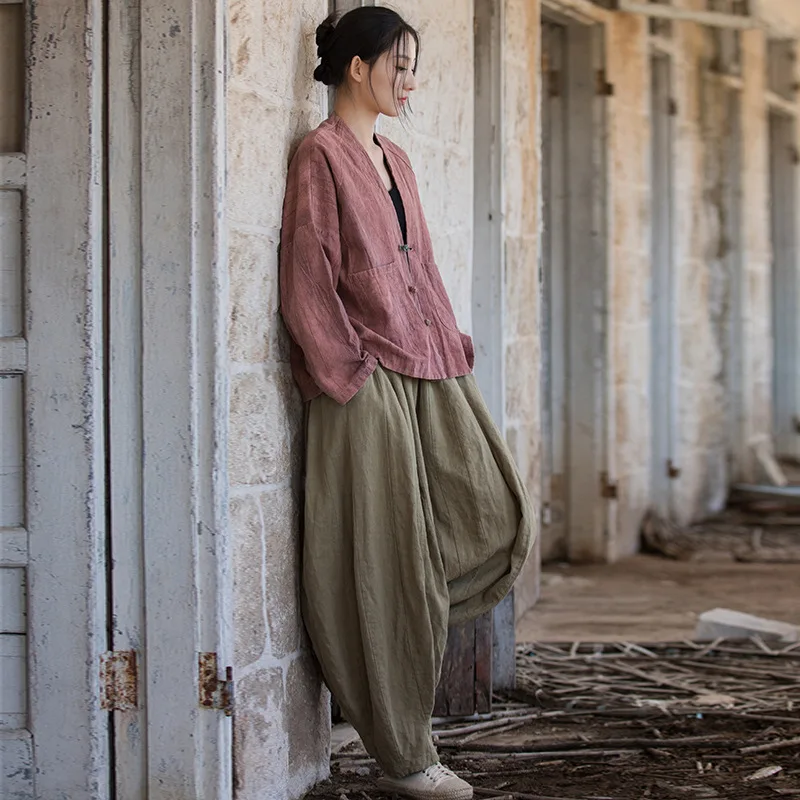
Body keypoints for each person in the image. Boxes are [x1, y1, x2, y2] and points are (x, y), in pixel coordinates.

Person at [279, 7, 535, 799]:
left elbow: (418, 270)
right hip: (360, 380)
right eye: (399, 63)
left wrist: (450, 350)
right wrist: (347, 373)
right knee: (385, 561)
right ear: (357, 67)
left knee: (490, 508)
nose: (410, 80)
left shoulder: (396, 159)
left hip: (427, 365)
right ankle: (404, 753)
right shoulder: (320, 155)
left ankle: (381, 689)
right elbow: (306, 276)